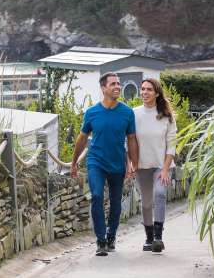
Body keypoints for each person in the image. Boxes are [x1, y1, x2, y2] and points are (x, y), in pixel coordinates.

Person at [71, 72, 139, 256]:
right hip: (96, 162)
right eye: (113, 84)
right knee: (97, 196)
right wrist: (74, 162)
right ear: (103, 88)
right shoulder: (92, 113)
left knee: (116, 202)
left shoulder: (127, 112)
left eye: (118, 84)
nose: (117, 86)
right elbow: (82, 137)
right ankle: (101, 240)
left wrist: (133, 164)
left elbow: (131, 139)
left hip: (117, 163)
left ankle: (111, 235)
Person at [133, 78, 177, 253]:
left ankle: (158, 237)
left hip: (161, 165)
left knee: (159, 194)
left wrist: (166, 169)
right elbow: (129, 141)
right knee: (145, 204)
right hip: (141, 165)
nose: (144, 92)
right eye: (142, 89)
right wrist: (130, 162)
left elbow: (171, 144)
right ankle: (149, 237)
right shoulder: (134, 113)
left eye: (148, 89)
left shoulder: (167, 116)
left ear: (157, 93)